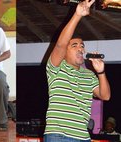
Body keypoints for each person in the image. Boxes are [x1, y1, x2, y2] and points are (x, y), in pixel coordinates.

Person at [44, 0, 111, 141]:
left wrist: (101, 72)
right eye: (75, 45)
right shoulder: (56, 67)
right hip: (58, 135)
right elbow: (60, 45)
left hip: (83, 137)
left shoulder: (89, 75)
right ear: (66, 52)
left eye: (82, 46)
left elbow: (105, 96)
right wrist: (77, 15)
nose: (81, 48)